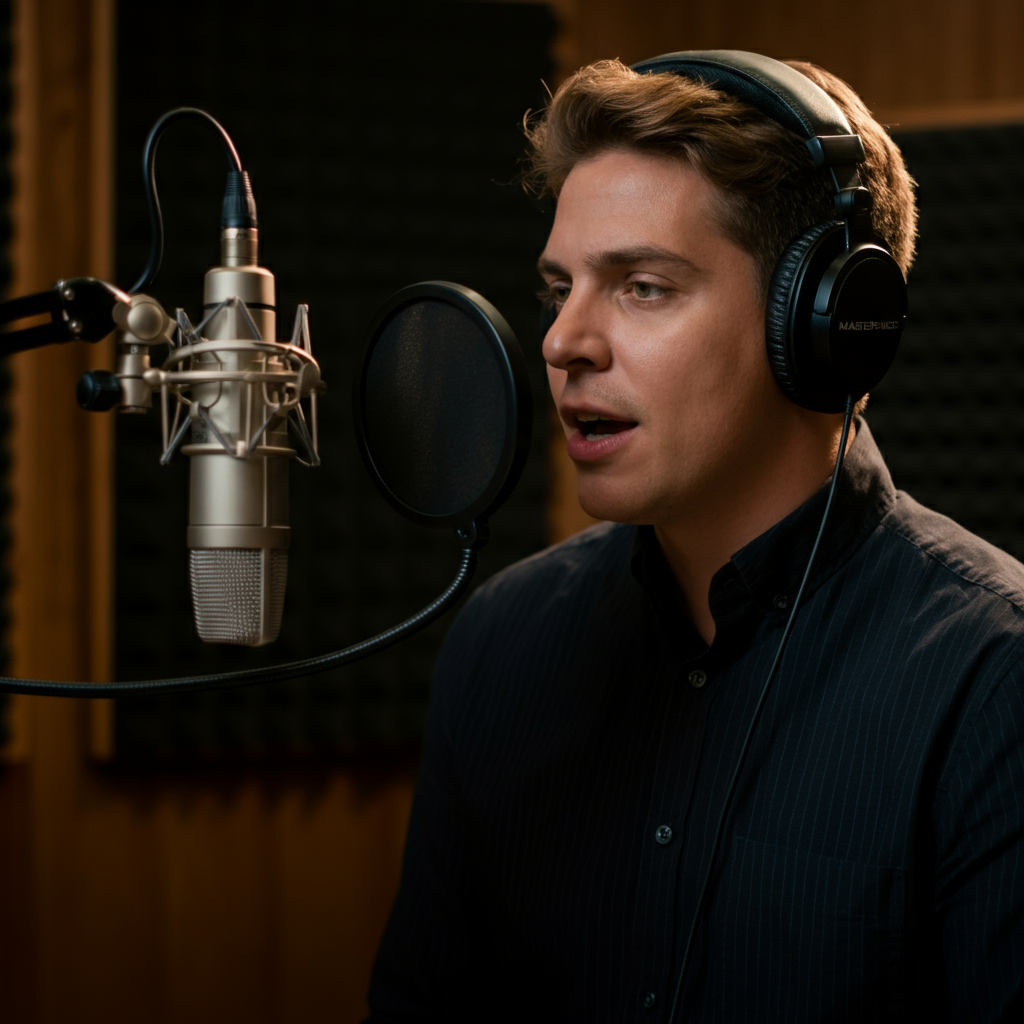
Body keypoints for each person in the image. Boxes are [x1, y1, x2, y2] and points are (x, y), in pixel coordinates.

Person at [367, 52, 1024, 1022]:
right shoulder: (499, 644)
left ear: (825, 322)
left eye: (641, 286)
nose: (562, 341)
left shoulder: (990, 679)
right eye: (559, 288)